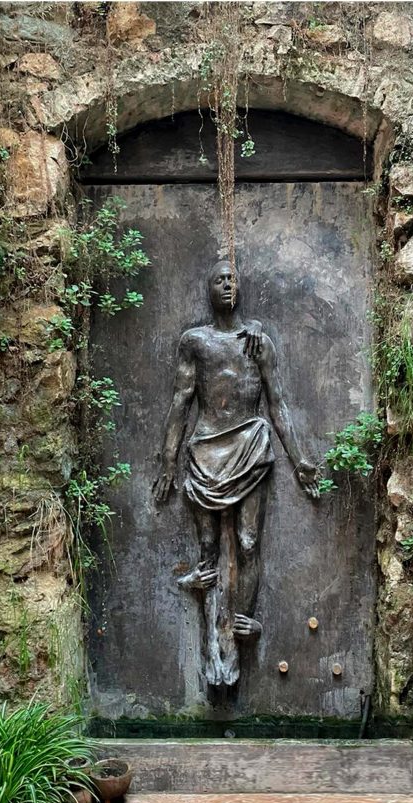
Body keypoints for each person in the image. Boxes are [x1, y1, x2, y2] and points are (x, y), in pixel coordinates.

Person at [153, 260, 318, 685]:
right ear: (208, 290)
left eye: (233, 279)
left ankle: (245, 622)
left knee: (247, 542)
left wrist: (299, 459)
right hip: (206, 448)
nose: (228, 285)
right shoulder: (196, 342)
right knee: (208, 551)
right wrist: (167, 458)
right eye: (219, 280)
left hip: (251, 445)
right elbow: (179, 401)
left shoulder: (258, 342)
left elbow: (278, 403)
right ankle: (214, 650)